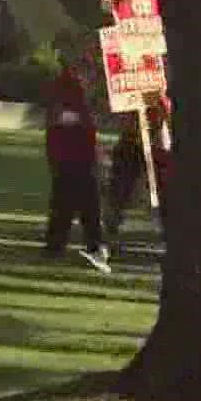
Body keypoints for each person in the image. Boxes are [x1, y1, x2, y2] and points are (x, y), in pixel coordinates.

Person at [42, 66, 109, 274]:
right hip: (80, 162)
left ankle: (56, 245)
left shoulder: (62, 108)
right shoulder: (78, 106)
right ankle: (93, 245)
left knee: (63, 206)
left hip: (68, 162)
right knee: (88, 208)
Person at [104, 92, 172, 252]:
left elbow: (167, 113)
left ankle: (170, 231)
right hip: (132, 139)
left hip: (156, 139)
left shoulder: (161, 86)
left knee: (166, 189)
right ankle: (109, 229)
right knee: (120, 188)